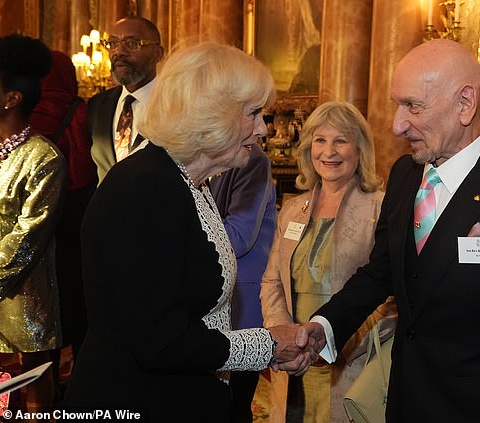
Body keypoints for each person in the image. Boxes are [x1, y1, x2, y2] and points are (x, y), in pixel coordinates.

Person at [298, 39, 480, 422]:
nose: (396, 124)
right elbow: (381, 271)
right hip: (403, 402)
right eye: (397, 104)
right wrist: (324, 326)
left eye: (413, 106)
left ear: (465, 104)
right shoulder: (404, 175)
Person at [62, 41, 312, 422]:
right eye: (254, 114)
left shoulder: (190, 182)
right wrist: (266, 345)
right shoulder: (145, 186)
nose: (263, 129)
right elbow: (159, 341)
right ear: (211, 114)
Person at [261, 101, 397, 423]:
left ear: (360, 148)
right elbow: (272, 283)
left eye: (341, 140)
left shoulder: (381, 208)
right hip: (293, 363)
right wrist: (286, 340)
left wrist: (331, 341)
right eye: (320, 140)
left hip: (351, 364)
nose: (329, 151)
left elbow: (388, 293)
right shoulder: (293, 209)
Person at [0, 34, 67, 417]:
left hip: (24, 301)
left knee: (33, 399)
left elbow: (27, 238)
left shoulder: (43, 158)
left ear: (12, 98)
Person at [30, 50, 97, 360]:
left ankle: (44, 380)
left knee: (44, 299)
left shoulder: (27, 113)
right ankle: (81, 378)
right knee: (78, 293)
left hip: (40, 215)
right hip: (78, 212)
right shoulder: (84, 111)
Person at [209, 142, 277, 423]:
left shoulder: (253, 159)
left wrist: (181, 229)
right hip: (214, 301)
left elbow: (239, 236)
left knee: (234, 406)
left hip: (242, 305)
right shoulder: (203, 156)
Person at [89, 15, 164, 184]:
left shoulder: (175, 104)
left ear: (158, 54)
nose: (119, 52)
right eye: (113, 43)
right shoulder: (98, 105)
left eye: (132, 44)